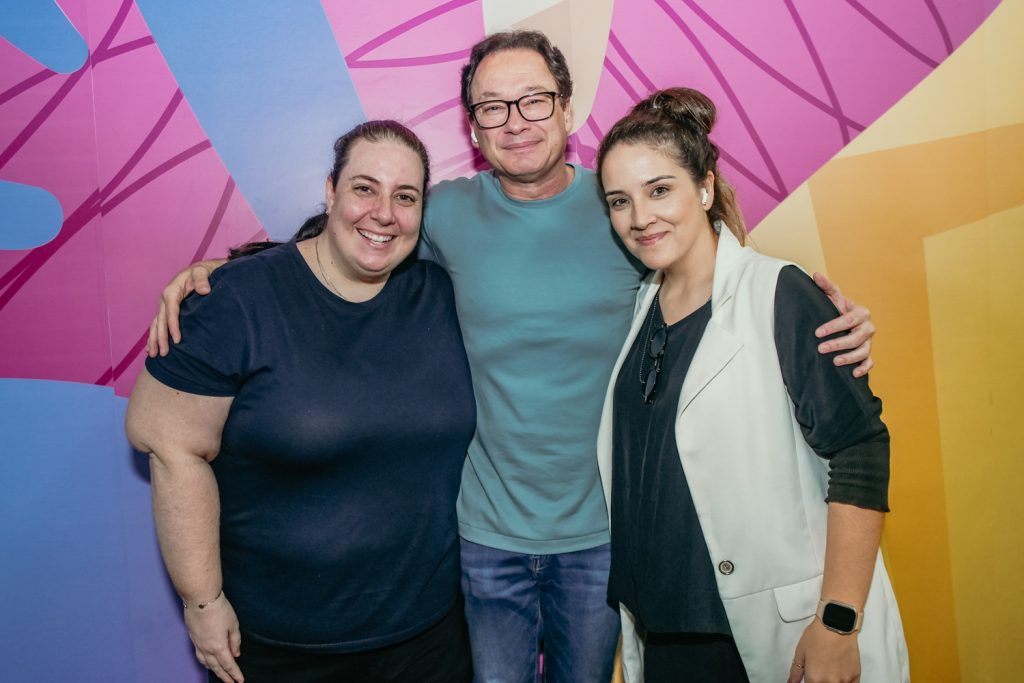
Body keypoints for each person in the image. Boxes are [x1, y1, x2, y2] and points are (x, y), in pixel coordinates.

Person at [146, 32, 879, 683]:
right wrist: (225, 268)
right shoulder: (449, 211)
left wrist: (817, 310)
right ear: (473, 128)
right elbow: (358, 233)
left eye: (533, 100)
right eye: (493, 107)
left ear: (566, 109)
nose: (515, 121)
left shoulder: (621, 205)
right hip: (483, 537)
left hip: (601, 534)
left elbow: (710, 269)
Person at [125, 121, 476, 683]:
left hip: (428, 640)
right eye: (364, 188)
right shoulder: (236, 301)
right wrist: (202, 600)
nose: (383, 212)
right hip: (278, 648)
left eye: (405, 196)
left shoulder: (440, 293)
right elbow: (170, 447)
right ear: (331, 190)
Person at [594, 87, 909, 683]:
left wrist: (839, 622)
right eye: (619, 200)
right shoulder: (643, 307)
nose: (640, 217)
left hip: (759, 642)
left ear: (706, 188)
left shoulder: (781, 294)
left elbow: (861, 450)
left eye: (660, 190)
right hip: (663, 636)